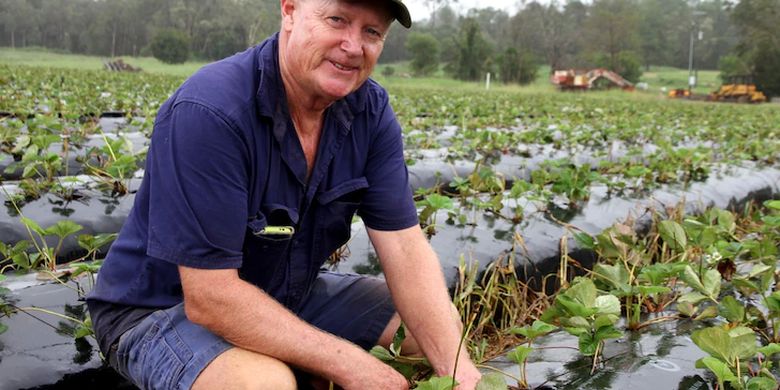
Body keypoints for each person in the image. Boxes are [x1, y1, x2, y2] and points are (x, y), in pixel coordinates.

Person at [87, 0, 482, 389]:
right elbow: (210, 299)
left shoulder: (369, 111)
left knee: (428, 330)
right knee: (263, 384)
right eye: (337, 19)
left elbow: (406, 250)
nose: (353, 45)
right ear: (290, 10)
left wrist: (459, 373)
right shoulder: (212, 110)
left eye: (372, 32)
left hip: (283, 293)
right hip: (161, 310)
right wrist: (348, 363)